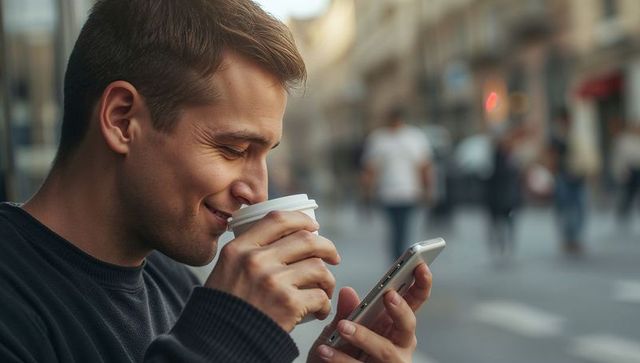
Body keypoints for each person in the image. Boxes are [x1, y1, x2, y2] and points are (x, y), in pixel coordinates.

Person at [0, 1, 433, 362]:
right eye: (233, 149)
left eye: (266, 154)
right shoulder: (15, 297)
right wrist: (229, 332)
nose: (258, 192)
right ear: (122, 119)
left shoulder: (176, 283)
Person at [361, 106, 433, 261]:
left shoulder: (414, 137)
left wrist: (428, 189)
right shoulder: (378, 139)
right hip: (387, 194)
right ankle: (398, 260)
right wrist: (367, 192)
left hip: (409, 192)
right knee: (395, 230)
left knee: (404, 229)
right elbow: (370, 169)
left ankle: (400, 260)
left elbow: (424, 166)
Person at [548, 108, 587, 255]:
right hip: (563, 176)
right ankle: (568, 239)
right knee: (565, 208)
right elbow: (551, 155)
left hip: (578, 175)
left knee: (579, 208)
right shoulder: (556, 135)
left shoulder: (577, 134)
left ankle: (575, 238)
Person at [485, 125, 523, 259]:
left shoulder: (511, 156)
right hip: (497, 197)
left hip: (509, 196)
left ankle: (507, 246)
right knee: (498, 223)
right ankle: (501, 245)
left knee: (508, 222)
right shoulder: (495, 156)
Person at [612, 122, 640, 226]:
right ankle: (623, 213)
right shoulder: (624, 141)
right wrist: (620, 171)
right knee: (627, 194)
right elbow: (619, 158)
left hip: (638, 170)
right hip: (629, 170)